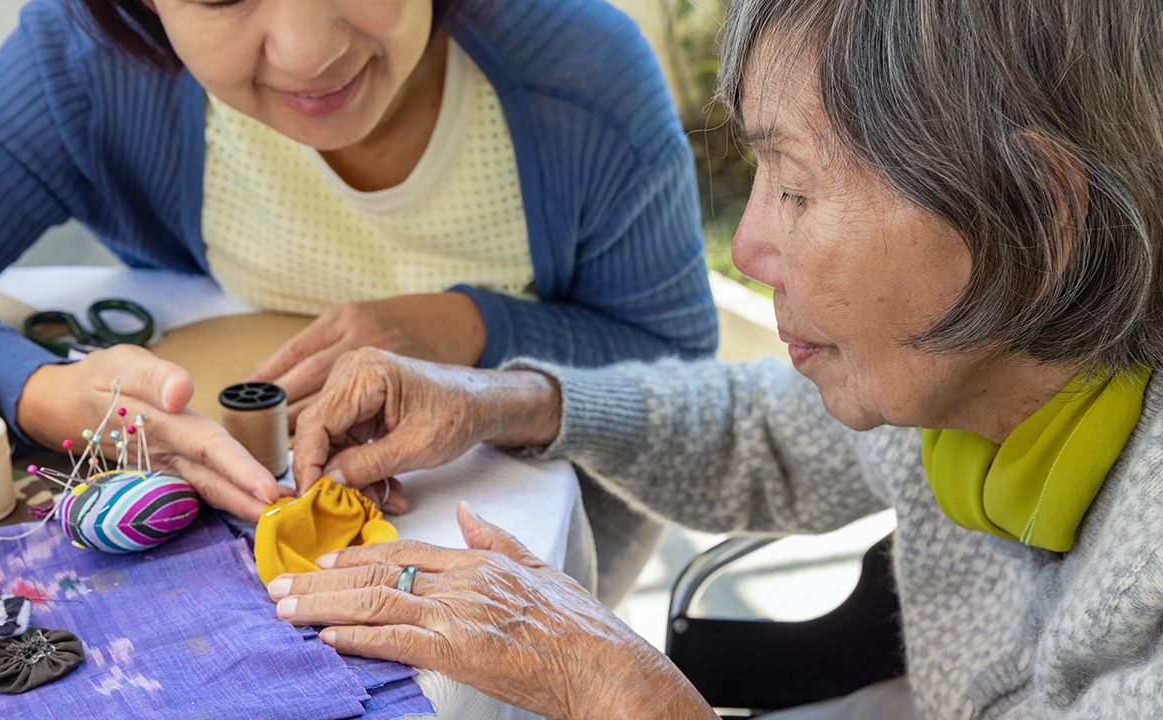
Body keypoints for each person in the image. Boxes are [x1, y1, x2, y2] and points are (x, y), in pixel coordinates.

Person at [266, 0, 1163, 717]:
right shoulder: (966, 377)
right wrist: (506, 401)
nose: (747, 247)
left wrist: (622, 697)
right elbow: (758, 428)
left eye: (800, 187)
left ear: (1038, 219)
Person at [0, 0, 716, 546]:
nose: (312, 52)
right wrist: (38, 392)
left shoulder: (584, 75)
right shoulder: (87, 56)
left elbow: (686, 389)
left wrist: (478, 328)